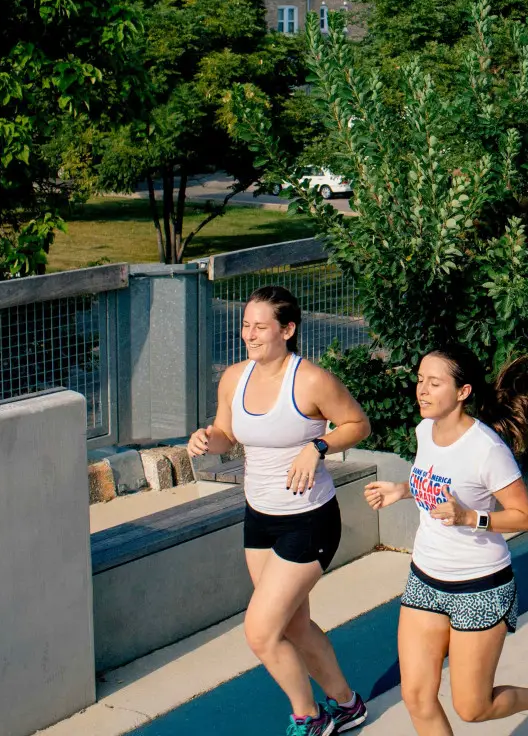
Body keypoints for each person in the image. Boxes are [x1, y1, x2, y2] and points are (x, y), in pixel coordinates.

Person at [361, 343, 528, 736]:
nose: (422, 390)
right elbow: (433, 476)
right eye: (420, 380)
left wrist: (468, 517)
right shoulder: (424, 429)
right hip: (425, 579)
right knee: (416, 695)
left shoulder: (486, 450)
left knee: (473, 707)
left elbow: (525, 517)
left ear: (462, 392)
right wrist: (401, 489)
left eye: (435, 383)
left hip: (480, 587)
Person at [187, 286, 373, 736]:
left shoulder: (310, 380)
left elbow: (358, 424)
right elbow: (228, 435)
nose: (249, 334)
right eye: (246, 325)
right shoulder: (234, 378)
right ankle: (347, 704)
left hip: (310, 519)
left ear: (287, 330)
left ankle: (309, 718)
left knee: (260, 633)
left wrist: (319, 445)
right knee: (295, 625)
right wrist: (207, 440)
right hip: (260, 517)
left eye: (260, 326)